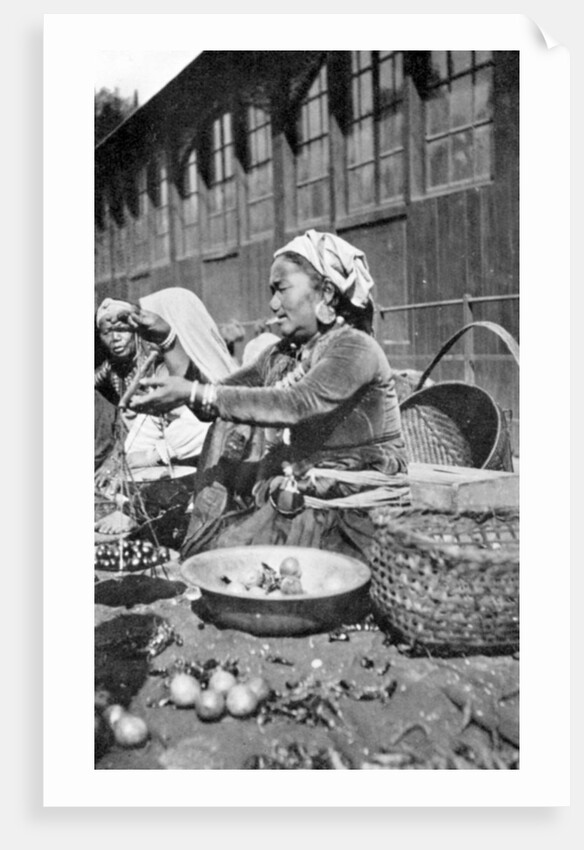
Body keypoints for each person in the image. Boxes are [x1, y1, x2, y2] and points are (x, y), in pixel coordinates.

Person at [127, 230, 408, 562]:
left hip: (356, 508)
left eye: (282, 289)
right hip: (307, 498)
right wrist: (168, 340)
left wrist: (195, 393)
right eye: (271, 292)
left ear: (327, 293)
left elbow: (296, 405)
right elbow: (218, 403)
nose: (273, 304)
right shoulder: (281, 355)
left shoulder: (355, 348)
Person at [94, 287, 237, 534]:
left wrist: (154, 454)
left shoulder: (220, 379)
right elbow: (148, 426)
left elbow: (207, 427)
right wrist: (126, 458)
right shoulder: (160, 368)